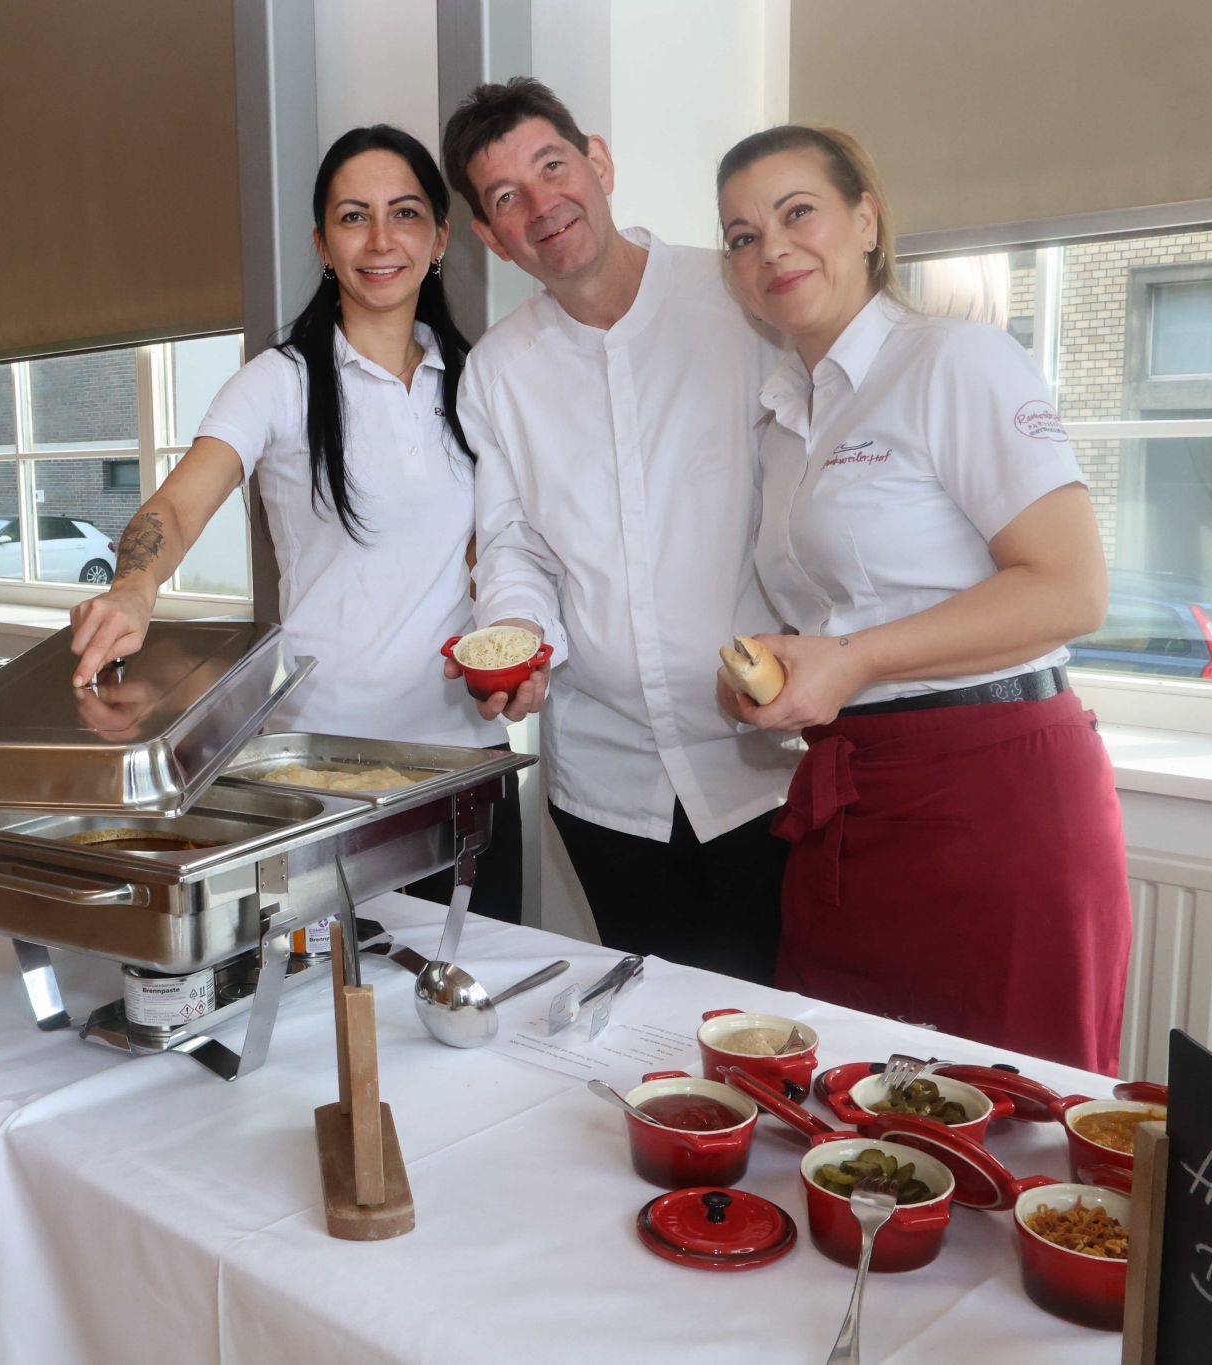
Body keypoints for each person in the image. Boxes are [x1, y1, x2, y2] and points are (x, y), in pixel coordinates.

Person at [713, 123, 1131, 1073]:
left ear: (866, 220)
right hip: (853, 798)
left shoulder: (956, 360)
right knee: (850, 1116)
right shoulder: (786, 419)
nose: (770, 247)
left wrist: (853, 661)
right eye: (741, 235)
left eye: (796, 212)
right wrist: (782, 677)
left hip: (999, 800)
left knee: (1012, 1125)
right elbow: (843, 615)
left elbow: (1071, 589)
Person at [67, 124, 521, 921]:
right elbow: (176, 503)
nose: (380, 240)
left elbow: (511, 549)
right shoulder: (277, 382)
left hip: (463, 764)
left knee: (467, 1000)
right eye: (353, 217)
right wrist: (135, 586)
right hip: (317, 768)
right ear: (321, 242)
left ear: (441, 236)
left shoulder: (480, 380)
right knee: (327, 1015)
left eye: (405, 213)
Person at [439, 79, 796, 981]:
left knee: (790, 1042)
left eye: (551, 167)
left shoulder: (741, 301)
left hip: (766, 768)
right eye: (506, 198)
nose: (540, 205)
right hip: (606, 790)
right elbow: (512, 542)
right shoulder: (498, 371)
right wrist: (518, 643)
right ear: (492, 237)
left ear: (597, 161)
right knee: (663, 1051)